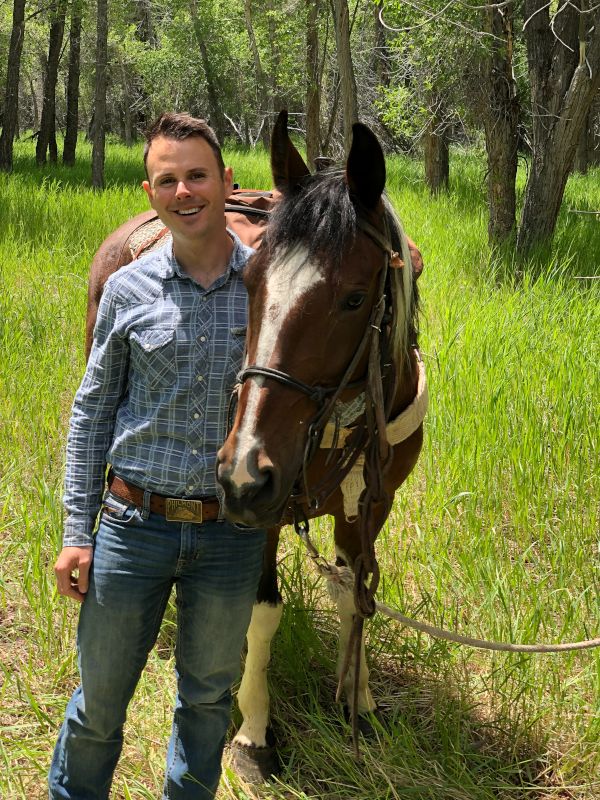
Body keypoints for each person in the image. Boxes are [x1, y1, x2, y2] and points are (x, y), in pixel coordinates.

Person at [49, 113, 267, 800]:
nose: (184, 191)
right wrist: (76, 534)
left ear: (226, 184)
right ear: (150, 193)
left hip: (229, 538)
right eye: (168, 179)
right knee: (99, 707)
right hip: (132, 525)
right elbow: (92, 413)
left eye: (197, 175)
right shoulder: (128, 290)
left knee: (207, 705)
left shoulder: (265, 290)